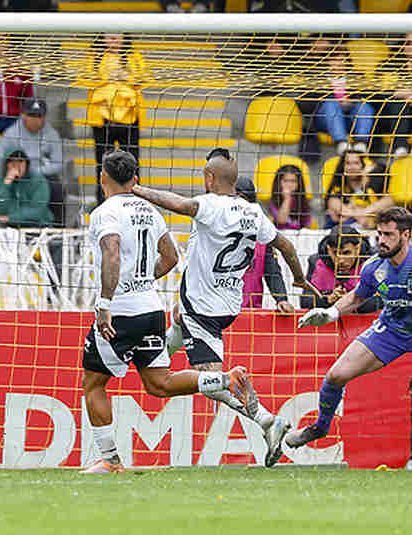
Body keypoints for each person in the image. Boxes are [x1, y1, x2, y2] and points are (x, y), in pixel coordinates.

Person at [131, 148, 316, 468]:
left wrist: (136, 189)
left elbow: (176, 203)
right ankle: (153, 355)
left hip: (202, 308)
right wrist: (299, 278)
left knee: (212, 382)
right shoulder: (254, 213)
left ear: (209, 178)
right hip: (229, 305)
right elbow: (285, 245)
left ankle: (267, 420)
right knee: (174, 331)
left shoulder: (209, 205)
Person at [80, 150, 254, 474]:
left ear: (102, 177)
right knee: (159, 383)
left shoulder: (105, 213)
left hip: (120, 312)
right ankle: (224, 379)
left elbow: (112, 252)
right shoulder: (150, 211)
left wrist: (105, 303)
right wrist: (143, 281)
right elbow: (171, 257)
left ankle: (110, 460)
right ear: (135, 179)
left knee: (93, 383)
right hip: (151, 310)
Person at [289, 208, 412, 448]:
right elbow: (357, 296)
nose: (381, 240)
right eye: (379, 234)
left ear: (406, 235)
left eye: (388, 235)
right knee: (335, 376)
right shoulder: (374, 267)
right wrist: (330, 313)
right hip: (390, 331)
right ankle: (320, 427)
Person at [85, 33, 149, 202]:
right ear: (102, 36)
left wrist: (126, 77)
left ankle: (134, 200)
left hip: (129, 119)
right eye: (109, 34)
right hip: (102, 120)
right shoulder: (94, 56)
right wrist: (108, 78)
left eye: (117, 34)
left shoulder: (134, 56)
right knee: (102, 164)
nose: (114, 38)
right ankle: (102, 202)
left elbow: (143, 79)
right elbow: (85, 78)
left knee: (132, 164)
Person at [0, 98, 64, 225]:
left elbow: (58, 163)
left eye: (39, 116)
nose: (35, 120)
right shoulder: (11, 134)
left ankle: (58, 228)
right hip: (12, 176)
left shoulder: (51, 134)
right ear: (23, 115)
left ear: (44, 118)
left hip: (39, 177)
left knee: (56, 188)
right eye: (31, 115)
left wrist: (33, 172)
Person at [236, 176, 293, 313]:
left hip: (250, 311)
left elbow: (272, 272)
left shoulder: (262, 237)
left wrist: (281, 299)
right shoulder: (214, 234)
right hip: (217, 312)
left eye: (244, 200)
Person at [300, 224, 379, 312]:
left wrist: (352, 300)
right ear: (328, 249)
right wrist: (327, 299)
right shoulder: (316, 262)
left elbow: (383, 298)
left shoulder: (374, 261)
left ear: (357, 249)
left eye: (346, 253)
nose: (341, 260)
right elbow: (305, 301)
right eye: (335, 253)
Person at [314, 48, 375, 153]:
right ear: (327, 62)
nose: (339, 63)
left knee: (363, 105)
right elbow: (309, 103)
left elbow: (370, 96)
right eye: (335, 60)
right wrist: (337, 102)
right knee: (331, 103)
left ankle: (361, 143)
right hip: (326, 118)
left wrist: (352, 101)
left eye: (342, 60)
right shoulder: (317, 78)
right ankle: (341, 143)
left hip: (350, 118)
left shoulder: (357, 77)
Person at [0, 149, 53, 229]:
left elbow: (37, 210)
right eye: (12, 161)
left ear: (26, 164)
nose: (16, 165)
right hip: (8, 224)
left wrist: (10, 218)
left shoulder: (39, 181)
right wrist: (6, 183)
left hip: (36, 224)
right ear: (6, 164)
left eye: (20, 161)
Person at [323, 147, 387, 228]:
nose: (352, 167)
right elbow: (334, 204)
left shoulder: (374, 183)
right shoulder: (338, 185)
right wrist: (357, 213)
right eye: (348, 163)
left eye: (356, 163)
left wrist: (363, 211)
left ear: (363, 165)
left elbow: (388, 201)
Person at [267, 164, 311, 230]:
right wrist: (287, 199)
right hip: (280, 233)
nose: (289, 185)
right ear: (279, 182)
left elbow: (307, 224)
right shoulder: (274, 200)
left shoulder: (301, 200)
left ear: (299, 183)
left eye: (293, 181)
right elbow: (282, 220)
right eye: (286, 181)